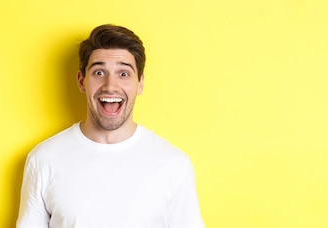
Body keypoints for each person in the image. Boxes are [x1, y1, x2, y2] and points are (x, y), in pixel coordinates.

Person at [16, 24, 204, 228]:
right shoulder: (44, 159)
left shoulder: (174, 164)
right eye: (99, 72)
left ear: (140, 83)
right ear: (81, 81)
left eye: (123, 74)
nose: (110, 86)